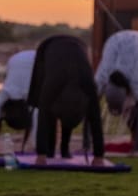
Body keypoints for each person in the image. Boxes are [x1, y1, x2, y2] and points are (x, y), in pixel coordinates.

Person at [27, 35, 108, 166]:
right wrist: (99, 155)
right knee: (93, 110)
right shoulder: (78, 59)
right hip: (73, 64)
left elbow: (43, 109)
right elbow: (95, 117)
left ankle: (44, 154)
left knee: (45, 108)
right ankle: (94, 157)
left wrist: (40, 155)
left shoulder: (50, 53)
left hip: (60, 68)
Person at [94, 29, 138, 152]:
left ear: (128, 91)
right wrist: (87, 143)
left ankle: (137, 139)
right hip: (114, 42)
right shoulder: (101, 78)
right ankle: (136, 138)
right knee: (127, 105)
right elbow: (91, 108)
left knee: (135, 105)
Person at [0, 48, 37, 151]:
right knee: (37, 116)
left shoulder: (14, 58)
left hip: (9, 88)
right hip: (27, 89)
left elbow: (9, 75)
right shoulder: (37, 57)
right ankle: (36, 145)